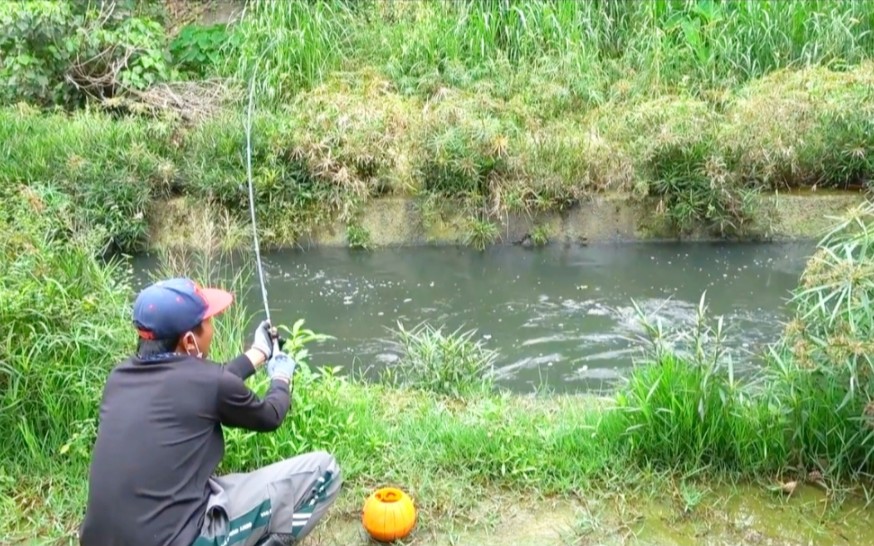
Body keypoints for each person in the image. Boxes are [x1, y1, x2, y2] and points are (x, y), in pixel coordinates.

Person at [78, 277, 342, 546]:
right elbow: (270, 415)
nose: (212, 326)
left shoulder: (118, 378)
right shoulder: (208, 383)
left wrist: (259, 352)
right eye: (208, 321)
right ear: (189, 340)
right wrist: (282, 378)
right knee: (325, 469)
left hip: (100, 539)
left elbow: (210, 382)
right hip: (176, 540)